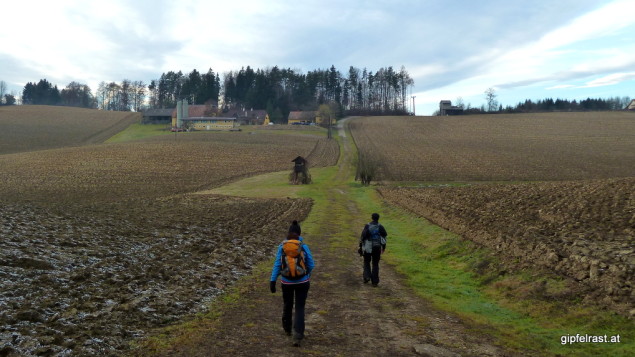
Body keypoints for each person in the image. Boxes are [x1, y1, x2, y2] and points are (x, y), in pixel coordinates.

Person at [270, 231, 315, 347]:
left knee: (287, 304)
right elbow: (311, 264)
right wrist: (306, 274)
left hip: (286, 282)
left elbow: (277, 264)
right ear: (298, 237)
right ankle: (298, 335)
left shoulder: (282, 247)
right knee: (300, 307)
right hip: (303, 281)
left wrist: (273, 280)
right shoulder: (303, 246)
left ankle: (287, 329)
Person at [358, 213, 387, 287]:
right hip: (377, 247)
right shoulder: (380, 227)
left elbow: (362, 237)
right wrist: (383, 248)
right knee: (375, 264)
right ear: (378, 218)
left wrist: (360, 247)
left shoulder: (367, 226)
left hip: (367, 247)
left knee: (367, 261)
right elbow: (384, 237)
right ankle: (375, 282)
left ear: (372, 218)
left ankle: (367, 276)